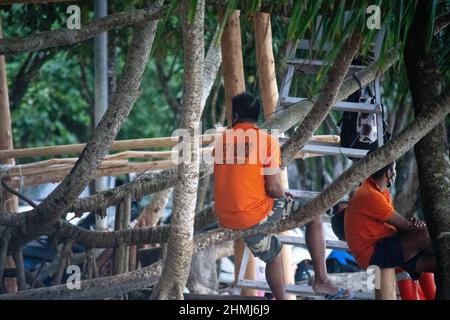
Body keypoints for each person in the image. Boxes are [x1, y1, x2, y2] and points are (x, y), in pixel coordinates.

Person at [213, 92, 352, 300]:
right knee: (312, 214)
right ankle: (321, 280)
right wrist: (285, 199)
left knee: (273, 253)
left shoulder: (221, 140)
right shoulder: (266, 141)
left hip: (225, 216)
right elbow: (273, 187)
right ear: (256, 116)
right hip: (251, 215)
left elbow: (237, 179)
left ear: (235, 115)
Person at [344, 161, 436, 281]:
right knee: (427, 235)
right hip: (374, 253)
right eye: (394, 169)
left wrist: (415, 225)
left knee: (440, 263)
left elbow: (400, 225)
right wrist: (416, 227)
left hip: (386, 243)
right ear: (388, 173)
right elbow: (406, 227)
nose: (395, 172)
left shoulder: (379, 191)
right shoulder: (369, 194)